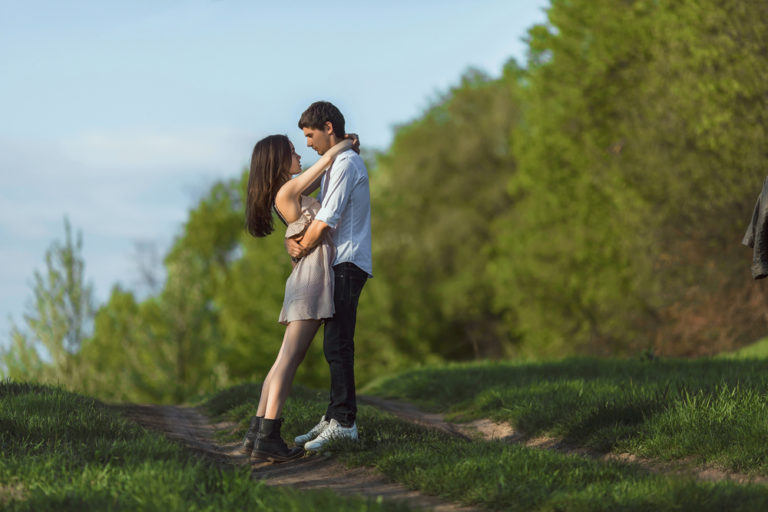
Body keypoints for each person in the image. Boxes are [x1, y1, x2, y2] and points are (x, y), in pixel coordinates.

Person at [241, 133, 354, 462]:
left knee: (283, 361)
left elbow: (324, 191)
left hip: (306, 279)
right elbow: (328, 161)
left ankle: (258, 431)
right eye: (292, 151)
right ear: (277, 161)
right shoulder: (288, 190)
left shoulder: (291, 192)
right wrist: (348, 142)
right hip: (309, 282)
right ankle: (269, 435)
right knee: (289, 361)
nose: (299, 155)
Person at [288, 101, 373, 452]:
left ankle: (345, 423)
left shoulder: (346, 163)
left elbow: (327, 219)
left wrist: (300, 248)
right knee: (334, 344)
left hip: (348, 263)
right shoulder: (340, 160)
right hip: (341, 263)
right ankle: (334, 416)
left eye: (310, 136)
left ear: (327, 127)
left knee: (338, 344)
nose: (308, 144)